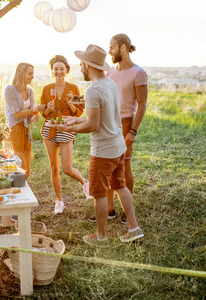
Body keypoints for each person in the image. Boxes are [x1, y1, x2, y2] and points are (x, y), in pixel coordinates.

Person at [52, 44, 144, 244]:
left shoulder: (93, 90)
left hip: (103, 151)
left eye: (81, 64)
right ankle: (134, 228)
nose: (79, 67)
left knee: (99, 193)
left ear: (87, 65)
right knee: (120, 186)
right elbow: (100, 116)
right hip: (118, 146)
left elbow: (93, 124)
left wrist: (70, 129)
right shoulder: (110, 83)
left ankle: (101, 236)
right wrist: (75, 120)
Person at [95, 33, 148, 224]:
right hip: (107, 122)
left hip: (125, 123)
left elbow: (142, 104)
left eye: (112, 47)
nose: (109, 51)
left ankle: (127, 210)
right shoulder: (110, 72)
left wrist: (133, 131)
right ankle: (109, 209)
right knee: (107, 166)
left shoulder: (138, 73)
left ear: (123, 48)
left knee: (124, 167)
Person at [36, 55, 89, 216]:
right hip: (50, 128)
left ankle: (85, 182)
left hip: (66, 128)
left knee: (67, 168)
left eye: (61, 68)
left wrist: (70, 103)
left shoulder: (73, 88)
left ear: (66, 70)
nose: (59, 71)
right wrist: (48, 108)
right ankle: (59, 201)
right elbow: (44, 114)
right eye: (56, 69)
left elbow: (79, 112)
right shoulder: (47, 89)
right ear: (52, 71)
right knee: (54, 168)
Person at [4, 63, 39, 180]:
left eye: (32, 74)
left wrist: (34, 116)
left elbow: (31, 113)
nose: (32, 76)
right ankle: (17, 194)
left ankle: (22, 194)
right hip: (15, 129)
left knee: (27, 172)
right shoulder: (10, 89)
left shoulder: (30, 91)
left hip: (26, 129)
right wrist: (34, 110)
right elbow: (17, 114)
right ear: (21, 74)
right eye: (29, 74)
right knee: (20, 171)